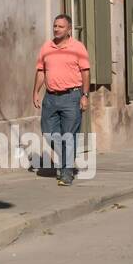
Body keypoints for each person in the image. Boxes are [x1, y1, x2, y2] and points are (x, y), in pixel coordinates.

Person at [31, 13, 90, 186]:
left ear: (69, 29)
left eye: (60, 26)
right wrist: (35, 92)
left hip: (71, 97)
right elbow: (41, 71)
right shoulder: (46, 47)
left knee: (69, 136)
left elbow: (85, 72)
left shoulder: (78, 47)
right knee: (49, 134)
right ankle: (66, 161)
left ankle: (66, 173)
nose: (56, 29)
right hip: (50, 98)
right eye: (55, 26)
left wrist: (84, 95)